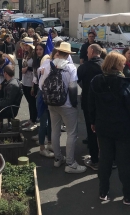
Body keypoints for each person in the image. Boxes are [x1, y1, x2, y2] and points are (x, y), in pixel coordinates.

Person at [88, 51, 130, 205]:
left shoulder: (95, 81)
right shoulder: (125, 84)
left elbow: (90, 105)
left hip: (103, 127)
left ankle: (103, 191)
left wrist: (93, 122)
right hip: (123, 130)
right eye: (122, 64)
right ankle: (127, 194)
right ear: (117, 66)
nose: (124, 66)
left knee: (105, 160)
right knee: (124, 162)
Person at [40, 42, 86, 173]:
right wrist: (74, 104)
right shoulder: (71, 68)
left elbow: (41, 85)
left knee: (55, 130)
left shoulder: (48, 65)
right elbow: (72, 88)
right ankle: (71, 163)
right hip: (66, 104)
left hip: (51, 103)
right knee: (71, 133)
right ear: (68, 54)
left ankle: (58, 159)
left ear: (59, 52)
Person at [77, 44, 103, 170]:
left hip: (89, 103)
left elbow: (77, 80)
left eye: (88, 52)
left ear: (92, 52)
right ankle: (107, 158)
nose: (87, 54)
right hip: (105, 103)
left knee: (91, 130)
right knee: (104, 131)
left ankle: (94, 160)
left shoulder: (84, 67)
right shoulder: (106, 64)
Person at [31, 43, 54, 157]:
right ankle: (42, 147)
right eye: (37, 49)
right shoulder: (46, 63)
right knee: (44, 121)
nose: (38, 51)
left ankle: (49, 143)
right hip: (43, 94)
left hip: (47, 94)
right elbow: (38, 79)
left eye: (41, 49)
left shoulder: (47, 63)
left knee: (49, 120)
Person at [21, 37, 38, 131]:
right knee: (29, 102)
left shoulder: (34, 56)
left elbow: (35, 71)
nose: (25, 47)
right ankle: (31, 119)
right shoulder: (26, 54)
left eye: (26, 45)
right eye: (24, 45)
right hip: (25, 81)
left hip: (31, 82)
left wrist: (27, 69)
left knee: (32, 102)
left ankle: (34, 121)